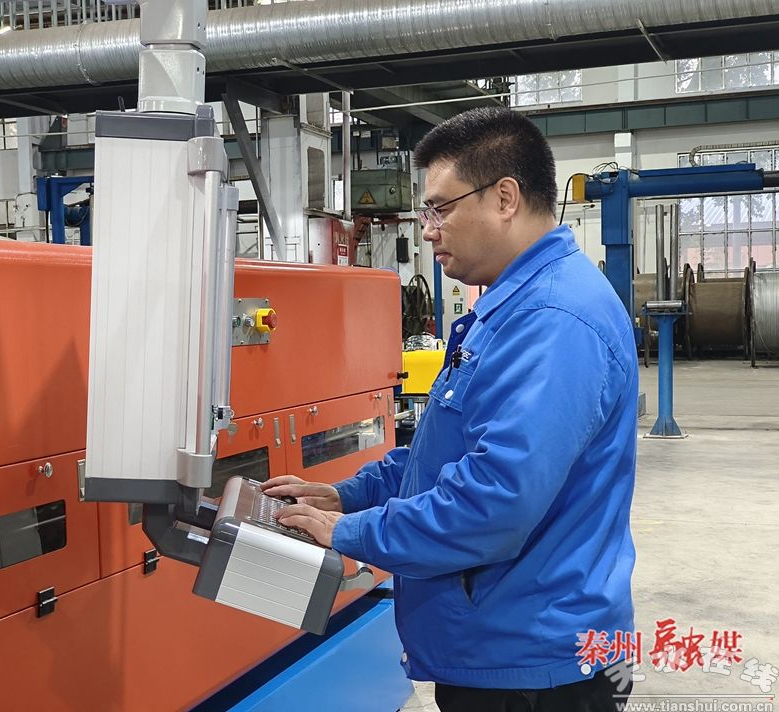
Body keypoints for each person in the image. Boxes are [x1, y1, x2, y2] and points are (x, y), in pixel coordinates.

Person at [263, 107, 638, 712]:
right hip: (506, 646)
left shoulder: (554, 321)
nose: (428, 230)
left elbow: (495, 501)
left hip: (534, 668)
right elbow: (446, 452)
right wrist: (348, 496)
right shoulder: (510, 309)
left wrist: (351, 533)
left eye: (440, 209)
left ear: (505, 198)